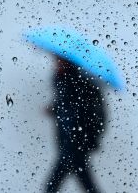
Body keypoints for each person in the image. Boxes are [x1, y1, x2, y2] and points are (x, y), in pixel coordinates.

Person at [45, 58, 106, 193]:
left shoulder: (78, 80)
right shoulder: (63, 78)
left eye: (60, 60)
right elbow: (66, 104)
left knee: (54, 181)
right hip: (68, 136)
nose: (56, 63)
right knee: (84, 177)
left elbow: (79, 107)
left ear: (68, 62)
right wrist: (54, 108)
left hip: (75, 138)